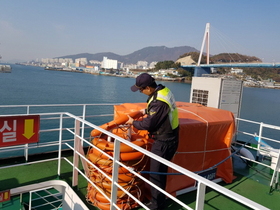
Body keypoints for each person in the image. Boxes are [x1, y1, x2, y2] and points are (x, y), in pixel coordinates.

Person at [126, 73, 179, 210]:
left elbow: (149, 125)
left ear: (148, 88)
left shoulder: (159, 102)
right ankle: (158, 202)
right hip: (169, 137)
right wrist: (147, 110)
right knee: (159, 173)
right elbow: (158, 111)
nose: (140, 92)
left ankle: (157, 207)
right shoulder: (163, 91)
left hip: (164, 141)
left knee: (156, 175)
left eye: (141, 89)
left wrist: (134, 123)